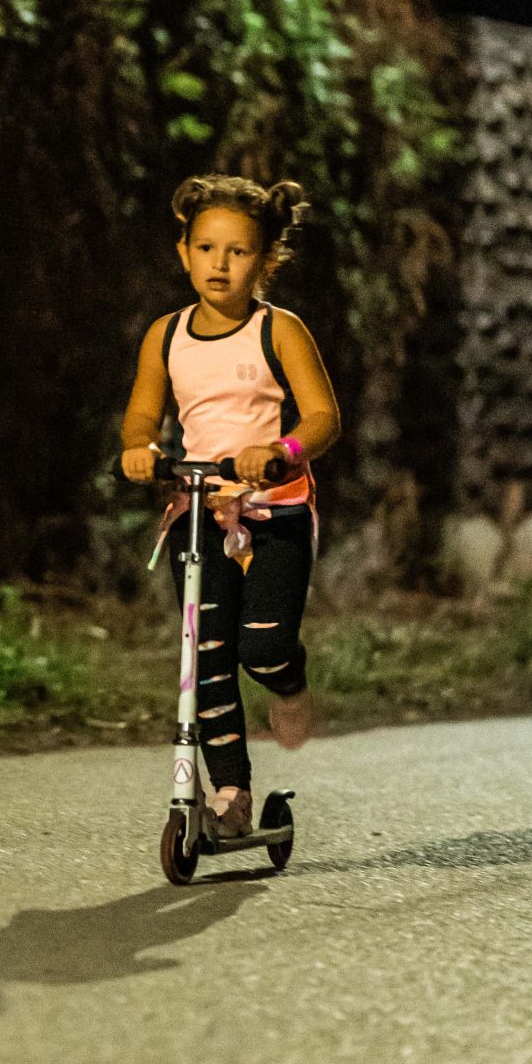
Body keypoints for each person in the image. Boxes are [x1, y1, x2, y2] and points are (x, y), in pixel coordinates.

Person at [119, 174, 342, 839]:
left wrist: (280, 450)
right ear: (183, 252)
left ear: (265, 259)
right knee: (206, 659)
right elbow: (143, 414)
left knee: (263, 647)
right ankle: (229, 795)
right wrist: (139, 449)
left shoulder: (279, 331)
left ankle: (288, 683)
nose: (219, 264)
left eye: (238, 251)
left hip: (274, 511)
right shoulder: (165, 335)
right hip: (196, 513)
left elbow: (323, 417)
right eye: (206, 248)